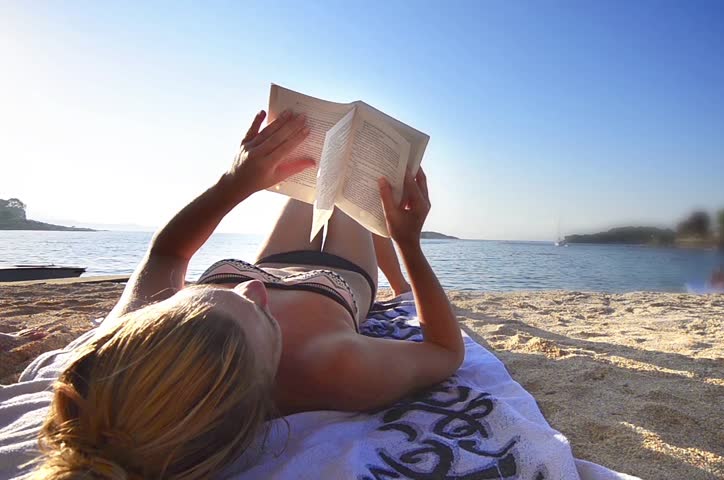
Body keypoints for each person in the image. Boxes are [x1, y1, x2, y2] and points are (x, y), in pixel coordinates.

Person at [30, 110, 463, 479]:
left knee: (316, 174)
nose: (254, 290)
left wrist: (237, 181)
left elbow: (168, 252)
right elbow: (445, 350)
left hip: (272, 257)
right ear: (266, 388)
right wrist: (409, 245)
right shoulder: (335, 371)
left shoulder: (131, 349)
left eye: (200, 296)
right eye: (264, 316)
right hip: (337, 278)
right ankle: (399, 286)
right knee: (351, 191)